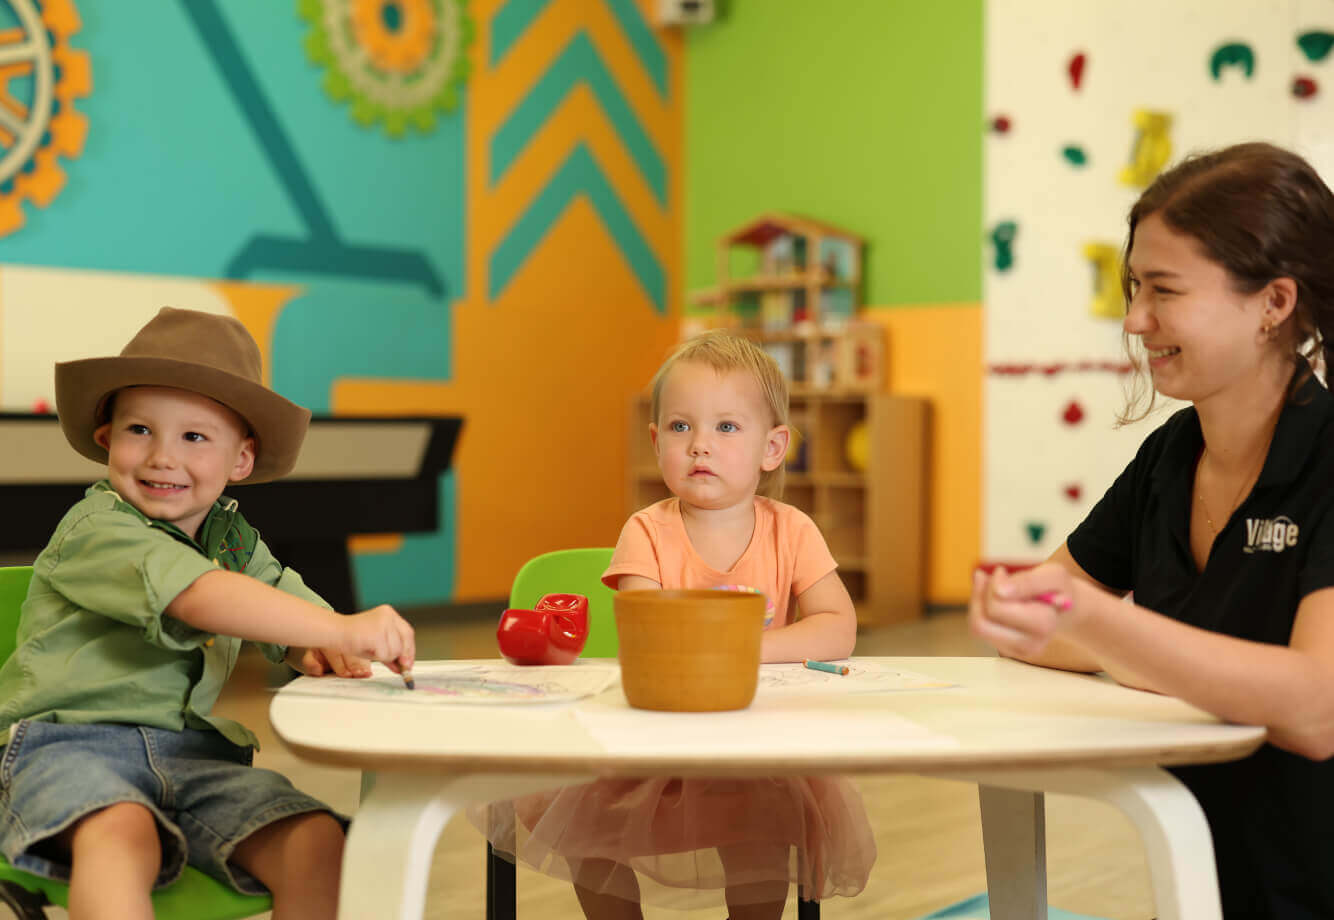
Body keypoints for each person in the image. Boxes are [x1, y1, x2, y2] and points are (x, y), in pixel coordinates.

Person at [969, 141, 1334, 918]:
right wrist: (1098, 631)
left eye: (1163, 290)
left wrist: (1108, 627)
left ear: (1274, 303)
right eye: (1134, 286)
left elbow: (1314, 710)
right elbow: (1034, 625)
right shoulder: (1170, 455)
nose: (1135, 320)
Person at [0, 307, 416, 920]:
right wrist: (338, 626)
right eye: (139, 429)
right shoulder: (96, 527)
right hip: (69, 749)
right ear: (105, 439)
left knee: (315, 840)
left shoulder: (234, 541)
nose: (162, 457)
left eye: (194, 437)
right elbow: (199, 594)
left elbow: (286, 605)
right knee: (122, 835)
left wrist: (322, 646)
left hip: (194, 759)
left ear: (240, 460)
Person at [482, 330, 874, 920]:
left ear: (773, 448)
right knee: (585, 824)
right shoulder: (647, 530)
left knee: (765, 826)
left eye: (726, 427)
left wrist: (743, 651)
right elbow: (653, 633)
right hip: (653, 748)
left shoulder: (791, 529)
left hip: (752, 748)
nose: (700, 447)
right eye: (681, 427)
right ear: (655, 439)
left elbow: (837, 626)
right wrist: (734, 649)